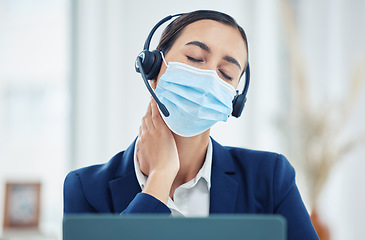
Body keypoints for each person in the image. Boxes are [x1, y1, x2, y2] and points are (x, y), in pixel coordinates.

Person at [64, 10, 319, 240]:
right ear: (152, 67)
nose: (209, 77)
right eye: (195, 58)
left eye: (226, 74)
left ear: (234, 102)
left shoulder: (270, 178)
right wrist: (160, 178)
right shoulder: (85, 188)